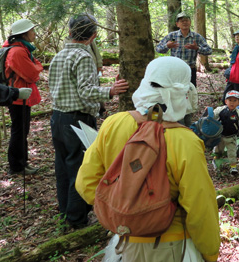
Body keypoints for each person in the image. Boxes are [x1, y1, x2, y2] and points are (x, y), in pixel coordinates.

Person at [76, 56, 221, 262]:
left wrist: (123, 213)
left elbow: (86, 182)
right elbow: (200, 208)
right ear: (182, 92)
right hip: (172, 246)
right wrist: (210, 253)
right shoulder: (186, 141)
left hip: (124, 246)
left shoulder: (113, 124)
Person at [49, 14, 129, 229]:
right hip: (77, 120)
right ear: (93, 36)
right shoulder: (83, 57)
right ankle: (76, 220)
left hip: (57, 118)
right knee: (80, 169)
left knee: (63, 167)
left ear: (70, 32)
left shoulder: (59, 56)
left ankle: (66, 211)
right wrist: (110, 91)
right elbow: (85, 90)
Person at [3, 18, 43, 176]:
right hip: (18, 97)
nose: (34, 33)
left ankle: (22, 163)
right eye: (32, 31)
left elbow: (35, 66)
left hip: (21, 95)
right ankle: (17, 166)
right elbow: (33, 74)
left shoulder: (23, 49)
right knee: (19, 131)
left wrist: (36, 66)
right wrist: (37, 68)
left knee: (21, 131)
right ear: (24, 34)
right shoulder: (18, 52)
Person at [156, 12, 213, 87]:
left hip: (190, 69)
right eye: (182, 21)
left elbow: (209, 50)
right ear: (177, 24)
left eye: (187, 20)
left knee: (190, 92)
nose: (185, 22)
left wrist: (197, 48)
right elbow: (158, 49)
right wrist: (167, 46)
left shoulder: (196, 37)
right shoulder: (172, 35)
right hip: (175, 70)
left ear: (190, 23)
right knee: (175, 91)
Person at [213, 90, 239, 175]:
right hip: (220, 135)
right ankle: (216, 161)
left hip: (231, 137)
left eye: (234, 101)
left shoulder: (238, 113)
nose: (232, 103)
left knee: (232, 152)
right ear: (226, 101)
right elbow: (213, 115)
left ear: (238, 102)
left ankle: (233, 167)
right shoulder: (221, 110)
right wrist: (209, 112)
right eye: (230, 100)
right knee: (218, 150)